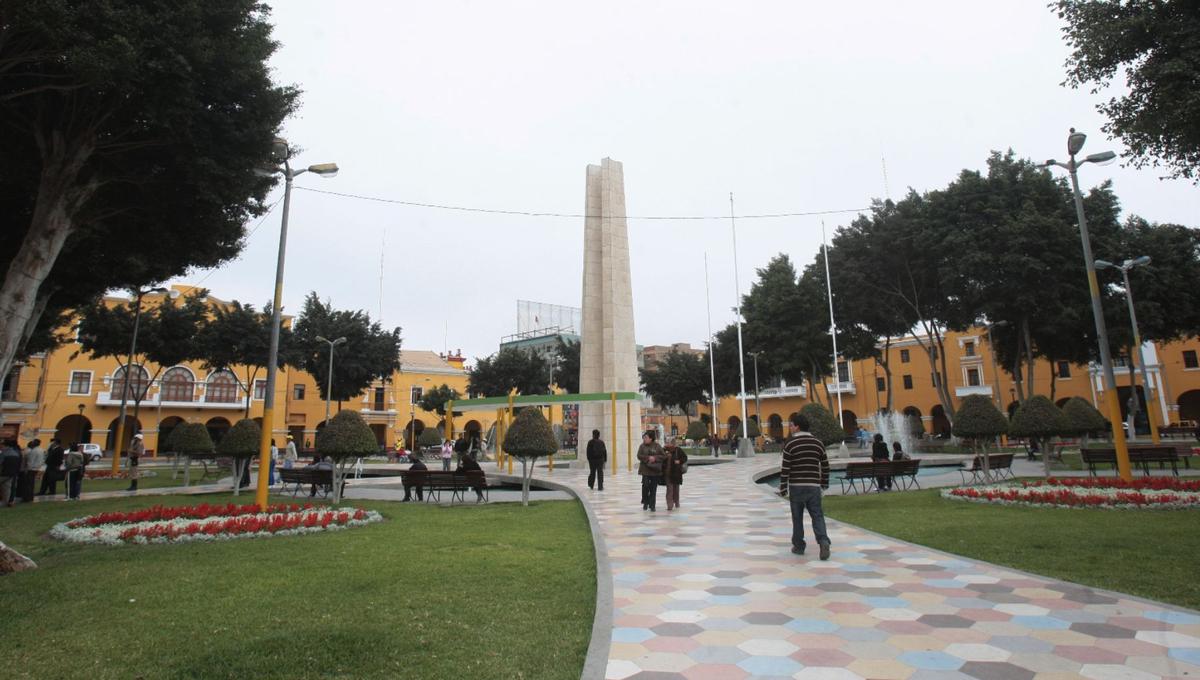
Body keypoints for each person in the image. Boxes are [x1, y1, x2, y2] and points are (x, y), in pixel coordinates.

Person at [778, 413, 831, 560]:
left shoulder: (790, 444)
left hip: (796, 486)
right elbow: (825, 466)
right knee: (817, 515)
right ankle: (823, 541)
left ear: (797, 426)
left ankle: (799, 545)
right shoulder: (818, 443)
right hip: (813, 486)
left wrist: (783, 487)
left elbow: (786, 468)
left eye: (791, 425)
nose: (790, 427)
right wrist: (824, 483)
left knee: (797, 517)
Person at [636, 431, 664, 512]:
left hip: (655, 470)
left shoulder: (657, 446)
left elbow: (663, 456)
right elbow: (639, 455)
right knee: (645, 486)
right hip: (645, 470)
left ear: (651, 438)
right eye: (644, 438)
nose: (644, 439)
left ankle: (652, 505)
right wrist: (648, 458)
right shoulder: (642, 446)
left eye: (646, 438)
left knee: (653, 488)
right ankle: (645, 501)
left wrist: (655, 458)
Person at [662, 437, 688, 511]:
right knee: (669, 489)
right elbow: (660, 458)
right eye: (667, 442)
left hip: (676, 473)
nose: (667, 444)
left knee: (676, 489)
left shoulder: (678, 450)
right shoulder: (664, 450)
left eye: (669, 442)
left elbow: (685, 458)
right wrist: (665, 457)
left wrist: (679, 461)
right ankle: (669, 505)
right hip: (667, 473)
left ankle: (676, 502)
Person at [20, 438, 45, 503]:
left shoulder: (33, 451)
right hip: (37, 468)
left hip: (31, 469)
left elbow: (30, 461)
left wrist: (27, 469)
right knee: (31, 484)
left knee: (28, 484)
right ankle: (30, 497)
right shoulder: (41, 450)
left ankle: (27, 497)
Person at [1, 439, 21, 506]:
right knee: (7, 488)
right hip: (12, 474)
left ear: (5, 445)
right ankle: (6, 502)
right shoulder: (16, 453)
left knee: (6, 488)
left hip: (2, 473)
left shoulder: (4, 453)